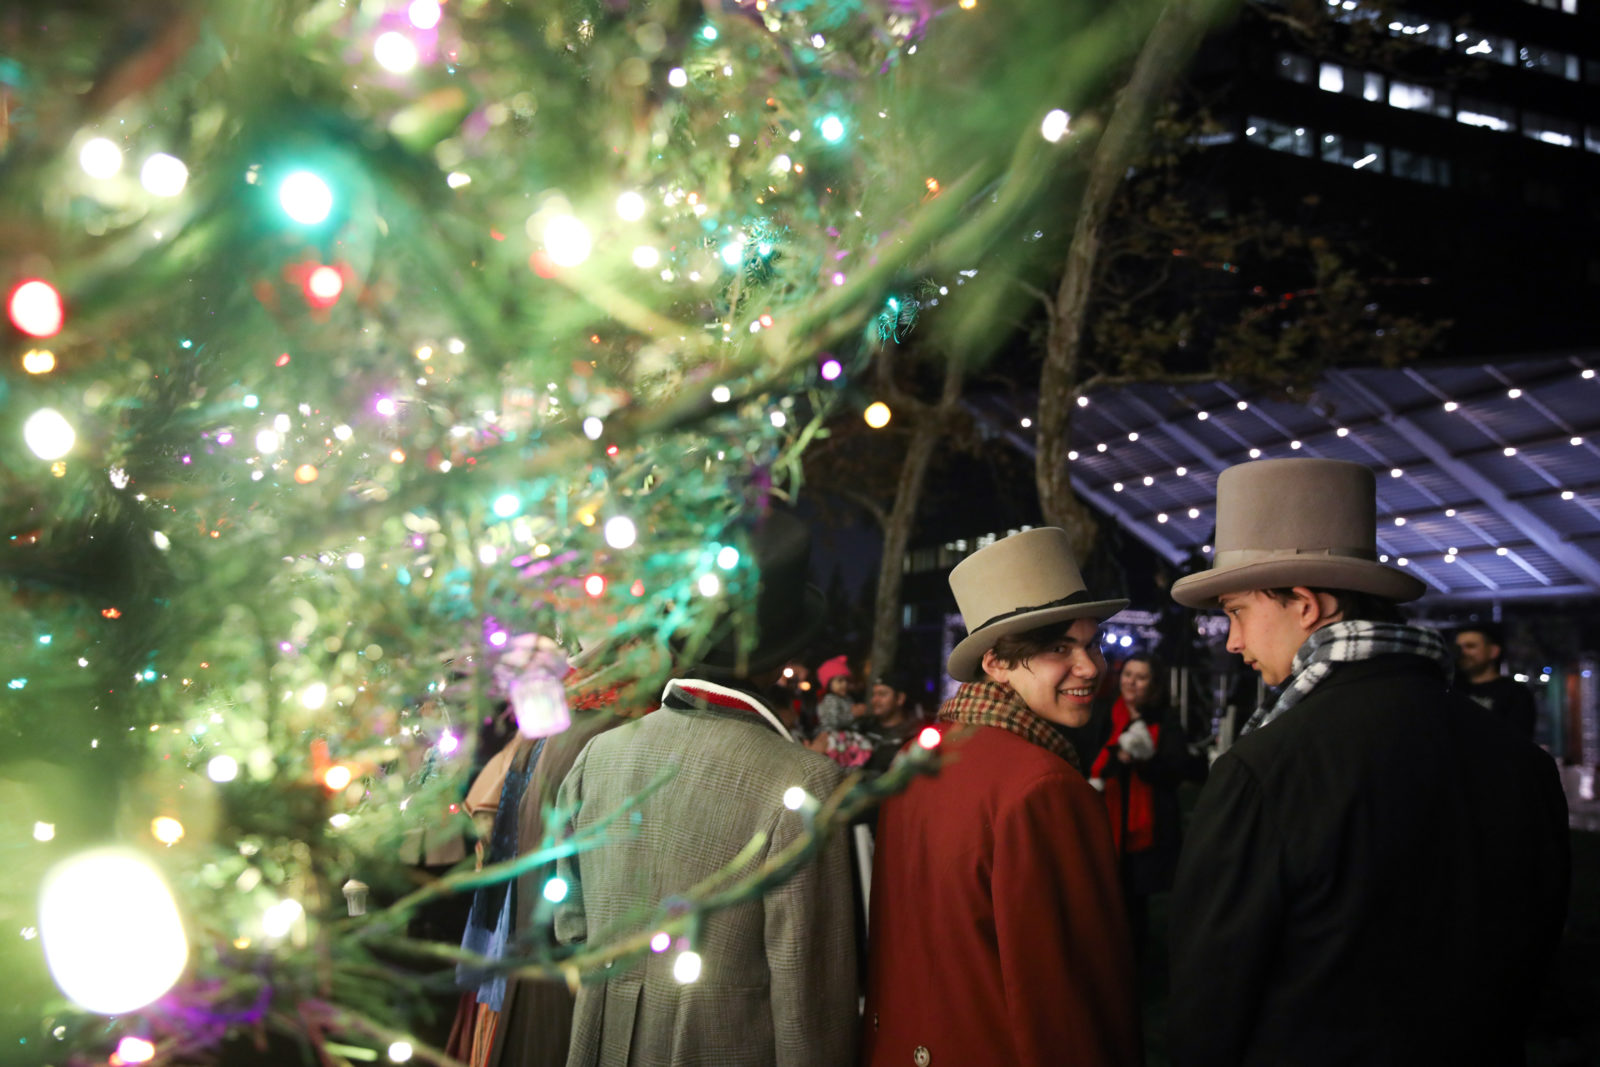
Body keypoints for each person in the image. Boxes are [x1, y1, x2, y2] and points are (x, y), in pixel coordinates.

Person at [1167, 458, 1570, 1066]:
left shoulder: (1265, 769)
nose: (1232, 642)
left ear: (1304, 604)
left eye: (1236, 612)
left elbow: (1210, 996)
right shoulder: (1520, 760)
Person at [553, 509, 857, 1067]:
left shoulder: (600, 754)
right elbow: (812, 1013)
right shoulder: (806, 784)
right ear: (784, 655)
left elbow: (569, 924)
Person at [861, 527, 1142, 1067]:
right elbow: (1069, 998)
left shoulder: (916, 758)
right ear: (996, 663)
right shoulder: (1044, 787)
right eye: (1059, 648)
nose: (1091, 667)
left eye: (1092, 643)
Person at [1086, 653, 1206, 965]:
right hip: (1106, 819)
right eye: (1128, 675)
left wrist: (1144, 759)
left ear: (1153, 685)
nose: (1132, 682)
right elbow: (1090, 759)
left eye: (1141, 677)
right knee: (1104, 895)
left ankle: (1134, 962)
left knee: (1135, 900)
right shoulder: (1103, 713)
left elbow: (1176, 772)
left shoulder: (1164, 720)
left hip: (1145, 827)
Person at [1453, 621, 1539, 740]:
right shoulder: (1452, 688)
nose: (1463, 652)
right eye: (1459, 647)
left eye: (1470, 646)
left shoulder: (1515, 694)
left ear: (1494, 651)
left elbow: (1519, 741)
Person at [808, 654, 875, 769]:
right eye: (839, 681)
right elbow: (832, 721)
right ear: (829, 684)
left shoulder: (846, 699)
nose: (844, 684)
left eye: (846, 681)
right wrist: (853, 715)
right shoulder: (830, 699)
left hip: (846, 737)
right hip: (834, 738)